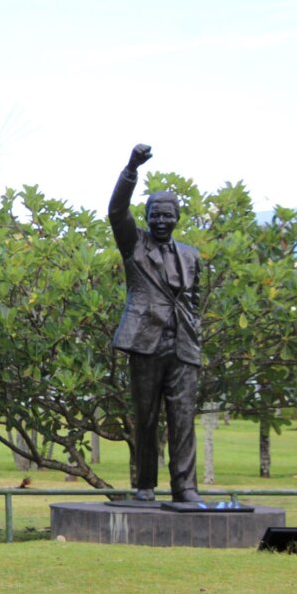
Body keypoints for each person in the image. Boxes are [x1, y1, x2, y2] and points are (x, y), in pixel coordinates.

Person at [108, 144, 203, 503]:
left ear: (177, 217)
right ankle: (145, 486)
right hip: (145, 342)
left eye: (167, 215)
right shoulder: (133, 245)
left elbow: (193, 300)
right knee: (146, 418)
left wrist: (194, 331)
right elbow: (116, 210)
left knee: (183, 419)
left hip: (183, 345)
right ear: (147, 217)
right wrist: (131, 168)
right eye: (155, 215)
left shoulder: (191, 256)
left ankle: (186, 488)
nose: (161, 221)